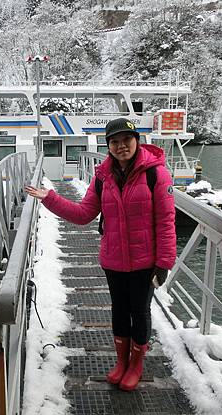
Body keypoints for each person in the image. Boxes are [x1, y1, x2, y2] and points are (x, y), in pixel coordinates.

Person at [25, 118, 176, 391]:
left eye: (126, 140)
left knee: (139, 312)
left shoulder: (156, 174)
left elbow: (166, 221)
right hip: (114, 259)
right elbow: (84, 214)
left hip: (145, 262)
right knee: (119, 311)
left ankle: (136, 364)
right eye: (114, 142)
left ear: (136, 141)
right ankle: (121, 362)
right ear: (108, 147)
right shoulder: (103, 177)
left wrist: (164, 262)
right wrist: (50, 198)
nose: (121, 146)